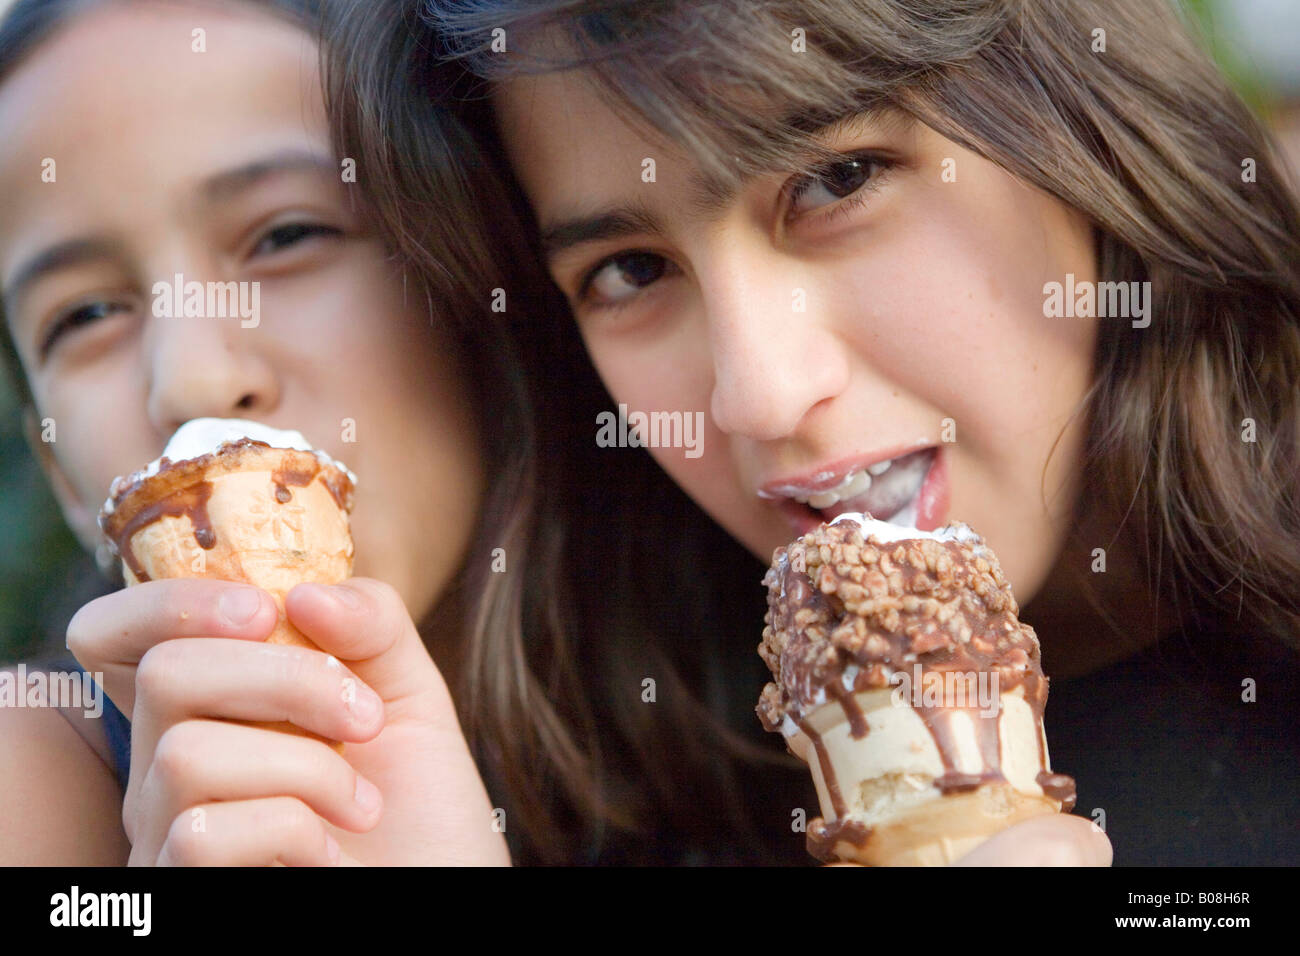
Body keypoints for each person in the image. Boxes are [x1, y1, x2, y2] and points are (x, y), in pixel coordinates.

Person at [326, 0, 1300, 864]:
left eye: (836, 179)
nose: (758, 394)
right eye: (628, 271)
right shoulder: (579, 807)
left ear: (1082, 113)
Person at [0, 0, 586, 865]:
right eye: (85, 314)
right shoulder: (37, 790)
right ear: (64, 479)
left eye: (287, 234)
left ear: (473, 287)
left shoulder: (780, 697)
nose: (190, 379)